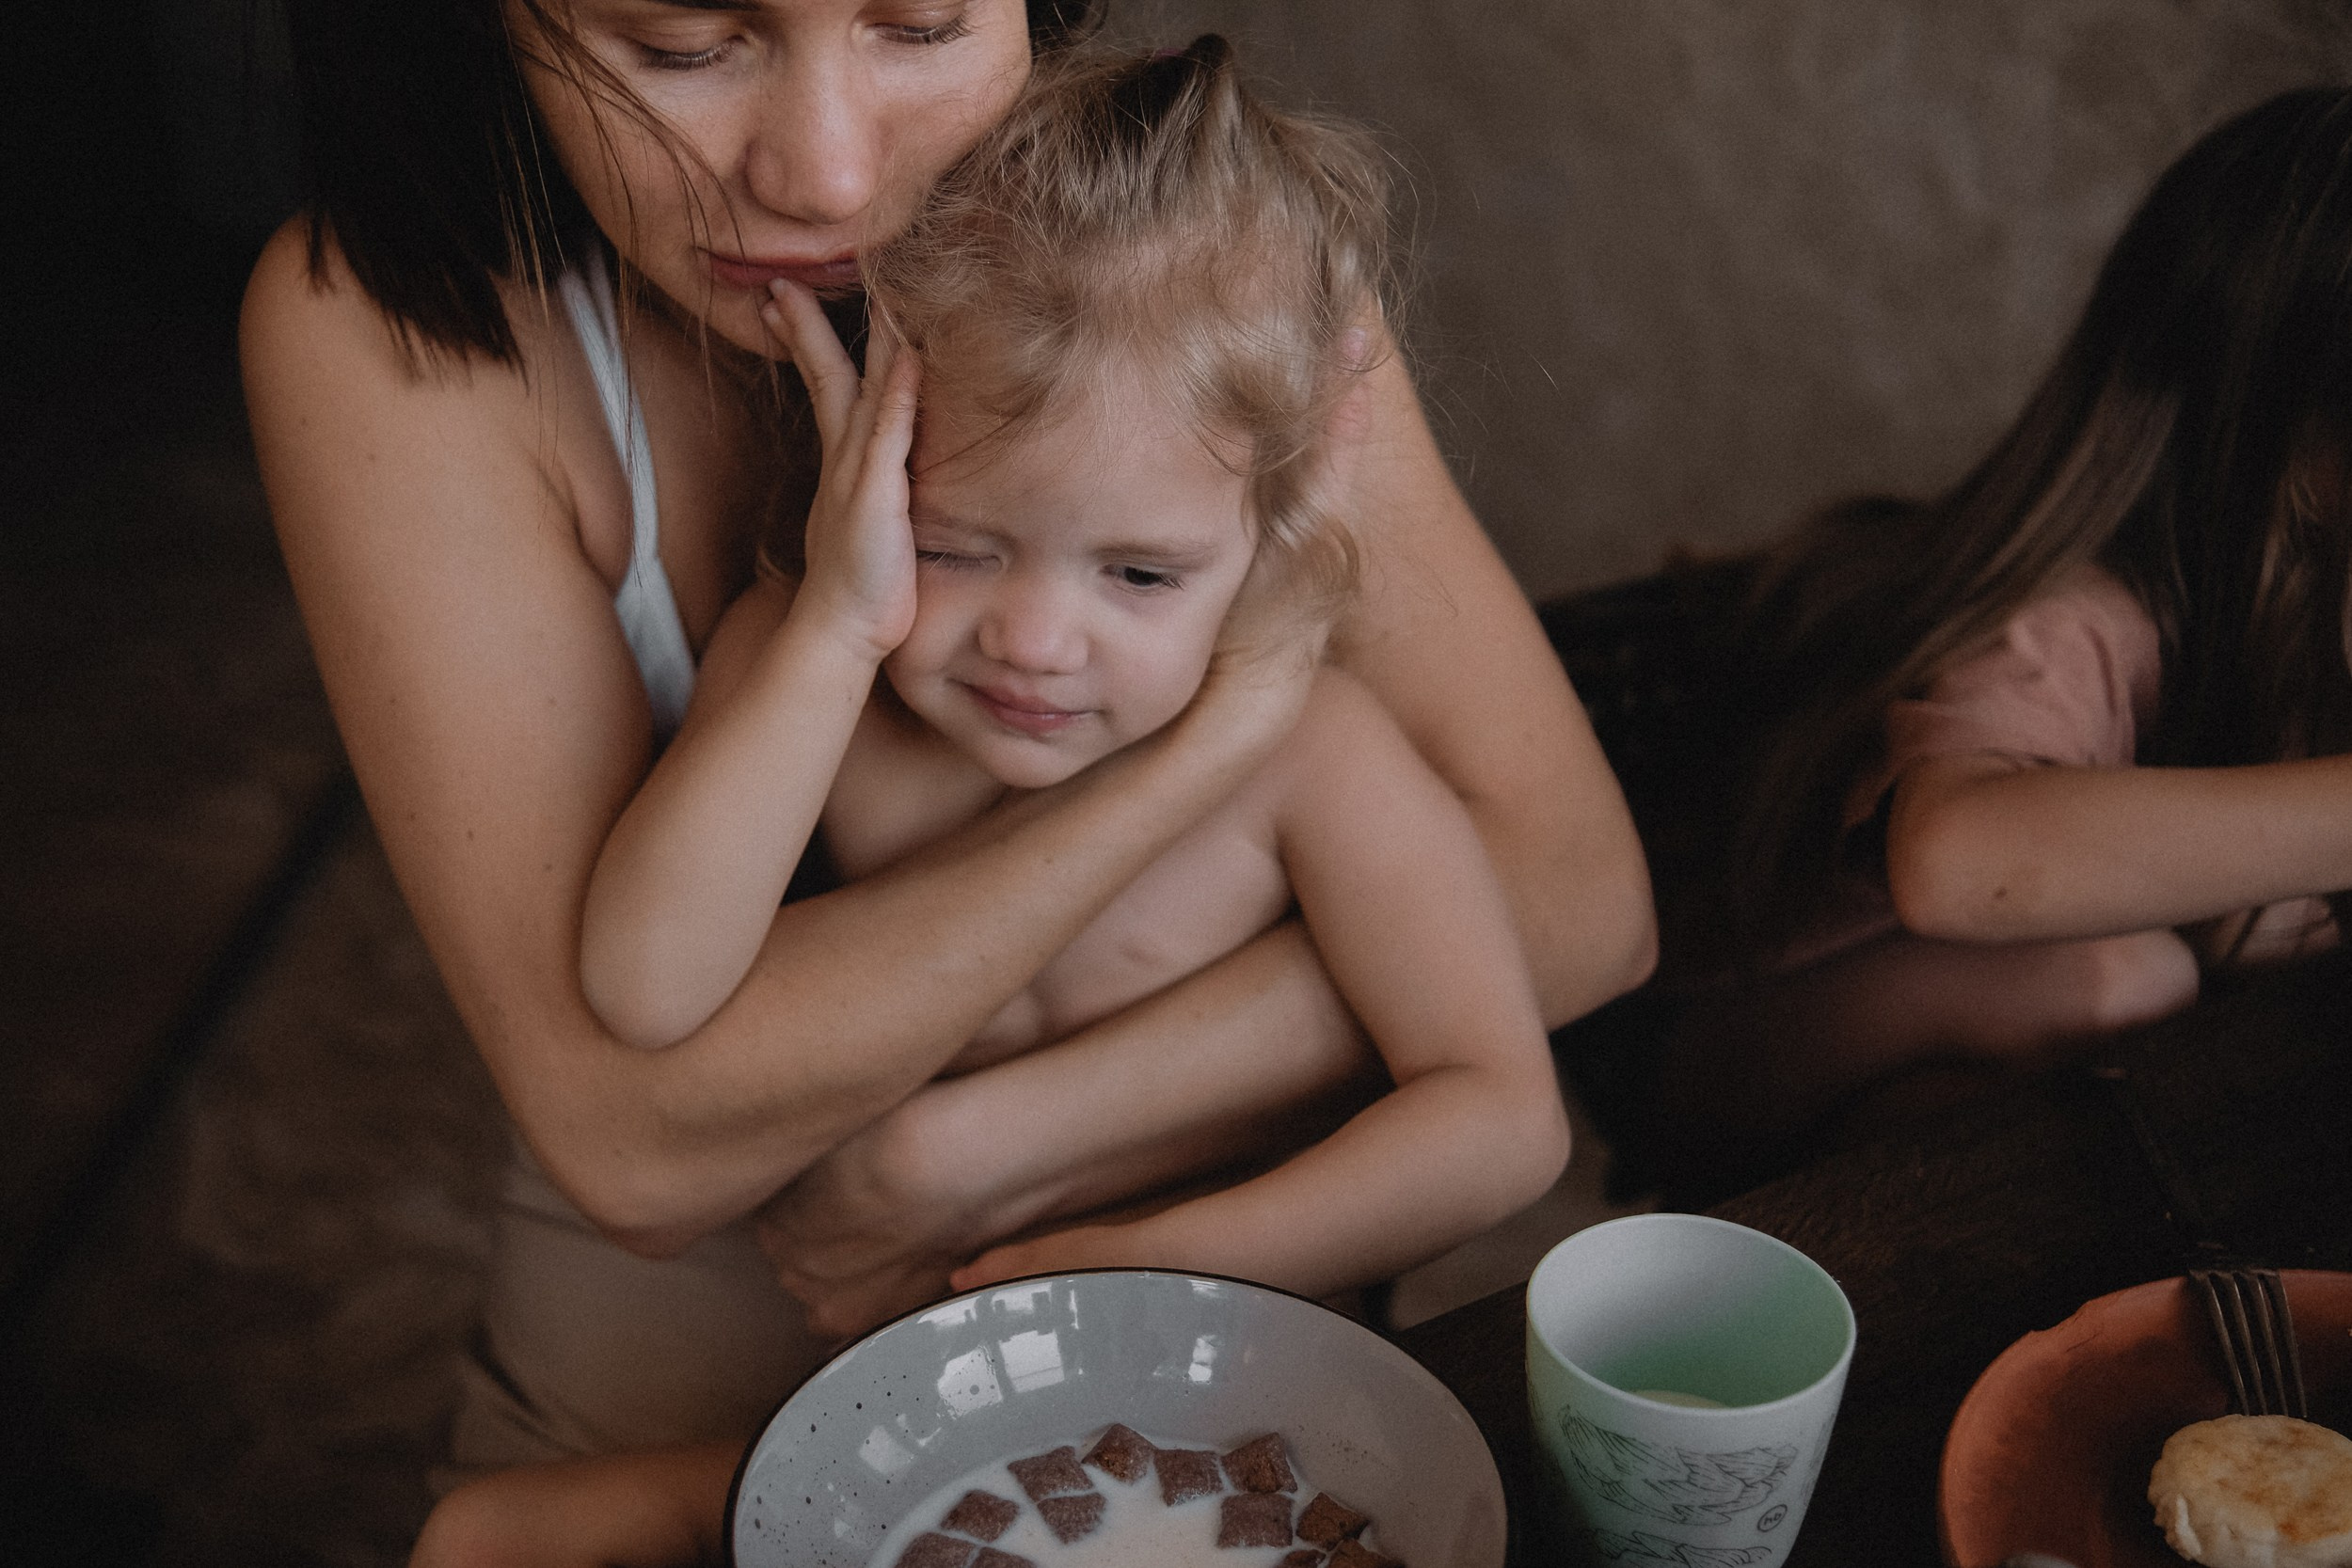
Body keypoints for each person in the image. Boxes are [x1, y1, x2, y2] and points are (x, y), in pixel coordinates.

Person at [243, 0, 1653, 1474]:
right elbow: (633, 1136)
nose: (829, 181)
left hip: (1119, 1351)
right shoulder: (412, 344)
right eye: (679, 44)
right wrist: (1202, 747)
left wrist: (973, 1163)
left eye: (919, 26)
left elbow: (1573, 903)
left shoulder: (1205, 273)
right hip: (694, 1345)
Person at [580, 38, 1571, 1317]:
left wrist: (1161, 1268)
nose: (1036, 641)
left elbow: (1500, 1116)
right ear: (864, 475)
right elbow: (644, 984)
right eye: (954, 546)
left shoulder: (1315, 755)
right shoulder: (814, 663)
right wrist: (835, 618)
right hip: (896, 1349)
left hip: (1226, 1348)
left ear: (1273, 528)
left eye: (1143, 575)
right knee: (490, 1533)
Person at [1664, 87, 2352, 1160]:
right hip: (1737, 1054)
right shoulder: (2069, 620)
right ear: (2293, 433)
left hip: (1967, 1059)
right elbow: (1954, 858)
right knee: (2125, 979)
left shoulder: (2309, 612)